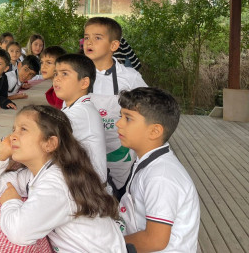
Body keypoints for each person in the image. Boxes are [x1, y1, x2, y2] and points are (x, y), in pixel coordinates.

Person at [0, 105, 126, 252]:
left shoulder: (58, 183)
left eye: (23, 129)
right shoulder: (38, 172)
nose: (12, 137)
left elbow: (19, 233)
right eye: (13, 129)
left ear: (49, 144)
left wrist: (11, 202)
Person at [117, 88, 200, 252]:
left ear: (154, 131)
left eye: (128, 118)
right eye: (121, 116)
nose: (118, 123)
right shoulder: (150, 162)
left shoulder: (161, 176)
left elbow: (155, 240)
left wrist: (109, 245)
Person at [83, 17, 147, 195]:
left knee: (121, 195)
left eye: (97, 38)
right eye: (86, 37)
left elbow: (147, 110)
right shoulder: (76, 75)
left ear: (114, 46)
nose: (89, 42)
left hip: (121, 151)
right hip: (87, 150)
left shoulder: (130, 77)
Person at [53, 53, 107, 183]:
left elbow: (42, 135)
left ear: (84, 83)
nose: (56, 79)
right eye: (55, 74)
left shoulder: (81, 112)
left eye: (64, 74)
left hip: (90, 193)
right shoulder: (71, 107)